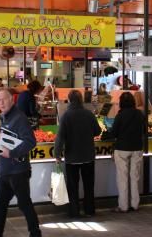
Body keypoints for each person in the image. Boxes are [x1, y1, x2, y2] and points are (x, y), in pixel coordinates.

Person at [0, 89, 41, 237]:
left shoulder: (19, 118)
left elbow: (31, 142)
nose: (1, 103)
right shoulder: (4, 117)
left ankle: (35, 234)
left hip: (18, 172)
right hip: (6, 171)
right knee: (0, 202)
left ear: (11, 100)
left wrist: (11, 153)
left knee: (24, 204)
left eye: (4, 100)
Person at [54, 90, 102, 218]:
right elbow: (97, 131)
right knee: (88, 185)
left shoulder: (66, 116)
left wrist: (57, 153)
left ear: (69, 100)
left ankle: (74, 212)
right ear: (81, 100)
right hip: (88, 156)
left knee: (73, 186)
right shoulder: (88, 114)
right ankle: (89, 211)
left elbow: (60, 137)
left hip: (72, 157)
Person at [108, 92, 147, 213]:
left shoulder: (120, 115)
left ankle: (123, 206)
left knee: (122, 178)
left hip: (122, 149)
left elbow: (114, 133)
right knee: (134, 178)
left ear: (121, 103)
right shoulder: (140, 114)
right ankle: (135, 204)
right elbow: (145, 131)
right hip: (137, 148)